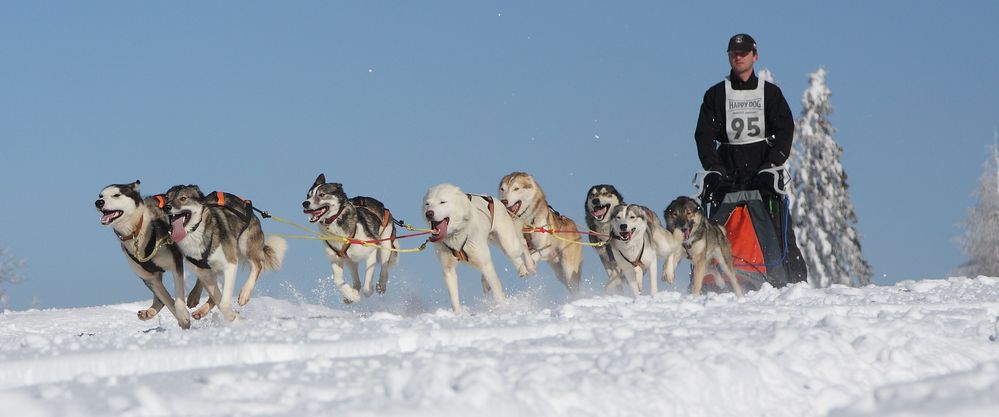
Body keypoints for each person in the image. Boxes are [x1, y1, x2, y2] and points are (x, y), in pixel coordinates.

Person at [693, 33, 807, 284]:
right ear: (729, 57)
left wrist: (771, 165)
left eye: (744, 53)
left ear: (754, 56)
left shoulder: (770, 94)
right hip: (728, 171)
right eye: (734, 53)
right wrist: (713, 168)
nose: (738, 57)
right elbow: (704, 135)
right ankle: (706, 279)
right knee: (711, 229)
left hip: (761, 171)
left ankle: (793, 283)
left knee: (778, 228)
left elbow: (785, 130)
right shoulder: (715, 95)